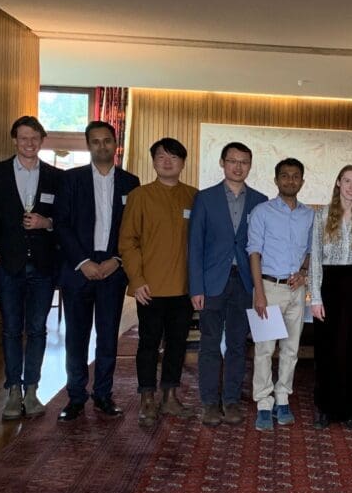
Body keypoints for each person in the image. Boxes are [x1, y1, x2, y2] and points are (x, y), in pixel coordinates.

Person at [55, 121, 140, 422]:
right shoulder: (71, 179)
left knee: (107, 337)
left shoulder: (131, 182)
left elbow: (133, 229)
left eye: (107, 141)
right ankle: (76, 396)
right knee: (76, 337)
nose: (102, 146)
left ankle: (103, 394)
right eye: (95, 141)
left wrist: (117, 259)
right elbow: (61, 224)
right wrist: (83, 262)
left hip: (113, 269)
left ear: (115, 144)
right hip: (79, 268)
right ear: (88, 145)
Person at [0, 115, 61, 421]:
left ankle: (32, 389)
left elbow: (65, 219)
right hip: (9, 264)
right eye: (23, 137)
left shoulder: (56, 176)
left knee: (38, 329)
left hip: (43, 265)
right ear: (14, 140)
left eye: (35, 138)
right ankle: (13, 390)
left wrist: (48, 223)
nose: (29, 143)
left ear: (42, 141)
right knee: (12, 329)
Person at [118, 137, 198, 428]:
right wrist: (137, 280)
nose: (167, 162)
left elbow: (199, 244)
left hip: (184, 288)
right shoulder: (140, 196)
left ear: (183, 163)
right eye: (162, 157)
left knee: (178, 344)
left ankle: (171, 396)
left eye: (174, 157)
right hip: (149, 288)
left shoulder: (193, 196)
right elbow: (128, 242)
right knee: (149, 344)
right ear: (153, 161)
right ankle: (146, 398)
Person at [188, 142, 267, 427]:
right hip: (212, 282)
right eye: (232, 160)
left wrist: (261, 288)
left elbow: (263, 248)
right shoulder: (205, 198)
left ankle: (231, 400)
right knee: (209, 343)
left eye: (244, 161)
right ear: (222, 163)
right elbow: (195, 245)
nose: (238, 166)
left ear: (250, 164)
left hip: (245, 282)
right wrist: (196, 286)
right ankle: (209, 402)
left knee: (237, 344)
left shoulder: (260, 200)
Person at [309, 165, 352, 430]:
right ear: (338, 183)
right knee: (327, 349)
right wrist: (315, 297)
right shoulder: (322, 215)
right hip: (329, 286)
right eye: (347, 181)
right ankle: (325, 408)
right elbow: (315, 256)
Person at [247, 158, 314, 431]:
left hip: (296, 291)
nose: (290, 180)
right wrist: (259, 294)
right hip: (268, 289)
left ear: (302, 181)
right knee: (264, 349)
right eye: (284, 176)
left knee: (291, 349)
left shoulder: (309, 215)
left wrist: (304, 272)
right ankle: (264, 402)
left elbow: (310, 252)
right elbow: (254, 253)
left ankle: (282, 397)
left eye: (295, 176)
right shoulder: (261, 212)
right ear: (276, 180)